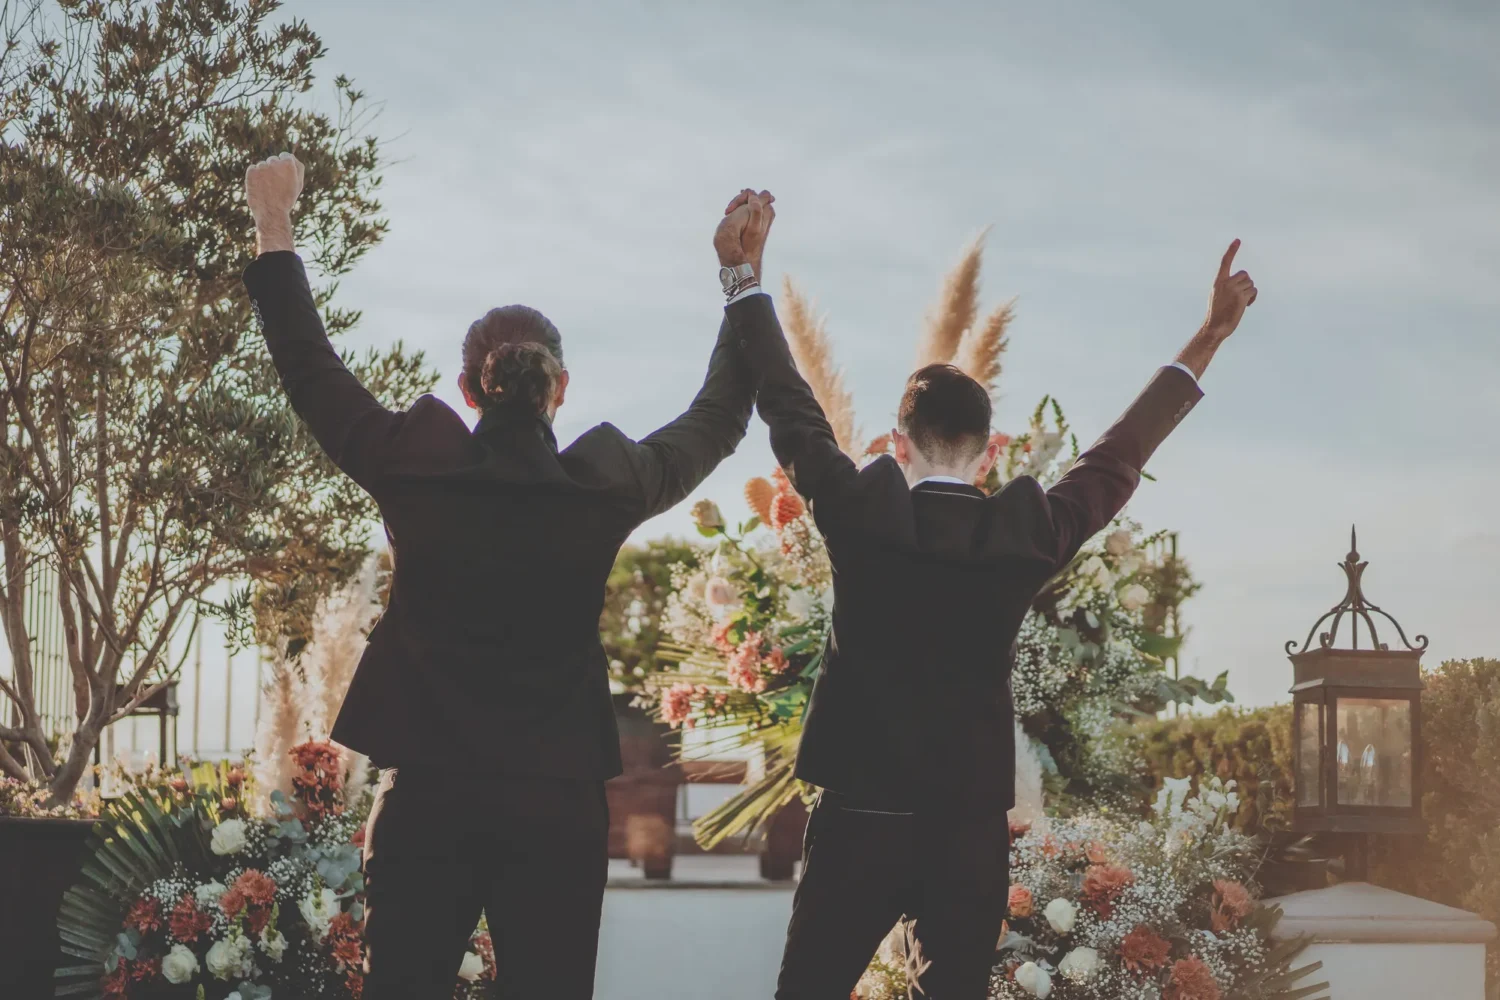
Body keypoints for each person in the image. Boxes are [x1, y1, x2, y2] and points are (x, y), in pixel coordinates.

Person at [241, 152, 776, 999]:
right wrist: (740, 277)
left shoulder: (415, 467)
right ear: (559, 389)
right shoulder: (605, 486)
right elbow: (717, 417)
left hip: (426, 806)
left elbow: (311, 371)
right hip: (554, 809)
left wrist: (277, 225)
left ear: (467, 388)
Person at [718, 220, 1257, 997]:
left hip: (858, 819)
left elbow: (788, 404)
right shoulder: (1024, 533)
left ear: (899, 444)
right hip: (965, 829)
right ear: (988, 449)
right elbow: (1119, 454)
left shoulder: (858, 509)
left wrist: (743, 279)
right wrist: (1208, 337)